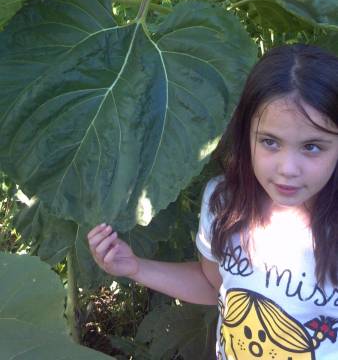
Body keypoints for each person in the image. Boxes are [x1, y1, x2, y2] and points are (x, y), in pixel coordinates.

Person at [88, 43, 338, 359]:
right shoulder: (224, 204)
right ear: (246, 135)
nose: (288, 169)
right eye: (270, 142)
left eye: (313, 147)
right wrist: (136, 267)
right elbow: (214, 285)